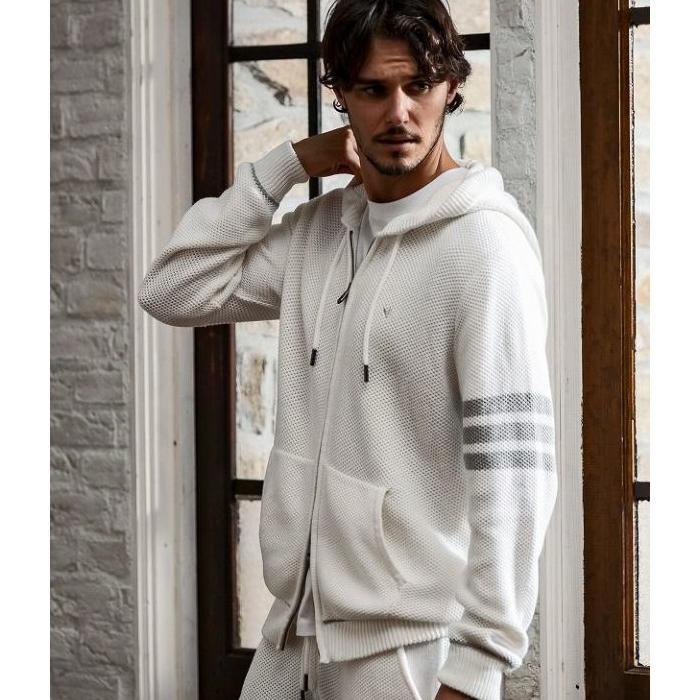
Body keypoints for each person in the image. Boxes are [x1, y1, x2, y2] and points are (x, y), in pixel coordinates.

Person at [138, 0, 558, 698]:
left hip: (405, 657)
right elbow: (171, 288)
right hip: (291, 638)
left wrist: (477, 664)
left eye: (418, 85)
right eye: (373, 89)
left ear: (452, 87)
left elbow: (514, 472)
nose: (399, 112)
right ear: (341, 96)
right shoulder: (319, 233)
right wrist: (293, 162)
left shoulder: (484, 247)